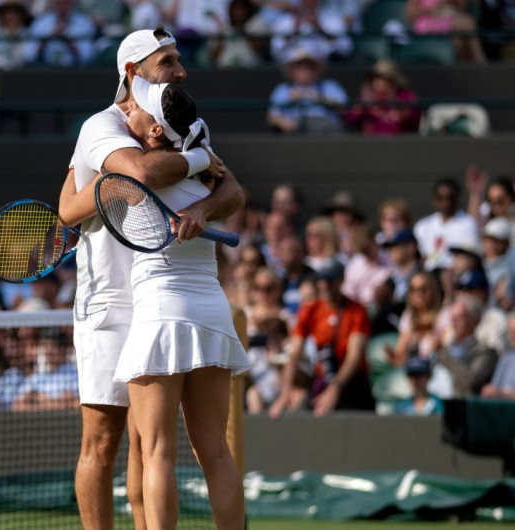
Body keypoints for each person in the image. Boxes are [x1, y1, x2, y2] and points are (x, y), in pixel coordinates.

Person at [57, 28, 241, 530]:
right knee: (104, 439)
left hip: (159, 298)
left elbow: (234, 192)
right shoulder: (101, 127)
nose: (180, 70)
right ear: (133, 73)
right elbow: (133, 174)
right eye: (168, 61)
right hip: (109, 300)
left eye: (179, 59)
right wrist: (200, 160)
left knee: (148, 442)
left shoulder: (181, 118)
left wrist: (203, 206)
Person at [108, 76, 250, 529]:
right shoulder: (205, 174)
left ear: (154, 131)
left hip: (161, 314)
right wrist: (202, 185)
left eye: (136, 108)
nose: (126, 111)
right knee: (215, 450)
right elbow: (231, 191)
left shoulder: (135, 171)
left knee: (156, 452)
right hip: (211, 311)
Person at [270, 259, 375, 418]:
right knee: (304, 412)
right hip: (323, 377)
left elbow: (354, 355)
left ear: (341, 281)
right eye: (322, 280)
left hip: (351, 381)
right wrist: (285, 392)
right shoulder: (311, 309)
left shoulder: (357, 311)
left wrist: (335, 388)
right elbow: (295, 352)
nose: (325, 285)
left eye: (330, 281)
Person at [267, 45, 347, 135]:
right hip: (297, 133)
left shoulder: (330, 86)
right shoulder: (283, 89)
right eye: (300, 67)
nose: (306, 71)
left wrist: (318, 98)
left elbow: (343, 109)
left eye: (310, 67)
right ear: (291, 70)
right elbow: (273, 117)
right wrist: (288, 123)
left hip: (327, 132)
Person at [432, 295, 498, 398]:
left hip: (464, 409)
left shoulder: (486, 352)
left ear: (475, 320)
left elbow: (470, 381)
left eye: (460, 317)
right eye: (452, 318)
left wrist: (443, 354)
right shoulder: (444, 350)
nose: (454, 322)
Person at [414, 177, 479, 273]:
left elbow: (469, 258)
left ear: (457, 199)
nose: (444, 203)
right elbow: (420, 257)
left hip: (455, 275)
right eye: (440, 198)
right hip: (429, 275)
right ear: (434, 200)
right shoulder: (423, 225)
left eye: (449, 198)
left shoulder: (468, 224)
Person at [344, 60, 421, 136]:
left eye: (383, 78)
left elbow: (414, 118)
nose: (378, 82)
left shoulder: (405, 97)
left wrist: (401, 114)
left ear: (393, 80)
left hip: (400, 144)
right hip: (371, 144)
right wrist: (362, 106)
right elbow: (351, 120)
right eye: (375, 78)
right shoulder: (366, 99)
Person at [23, 0, 96, 68]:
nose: (62, 6)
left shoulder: (84, 23)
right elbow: (29, 56)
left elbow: (87, 57)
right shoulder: (40, 23)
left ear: (72, 3)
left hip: (75, 70)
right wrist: (48, 39)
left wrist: (67, 40)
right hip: (45, 69)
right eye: (59, 3)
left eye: (65, 3)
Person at [481, 313, 515, 399]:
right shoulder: (506, 358)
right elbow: (494, 387)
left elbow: (499, 392)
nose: (512, 336)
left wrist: (503, 393)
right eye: (510, 332)